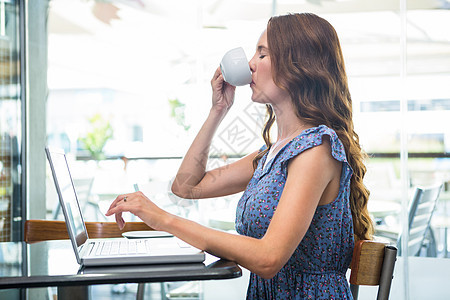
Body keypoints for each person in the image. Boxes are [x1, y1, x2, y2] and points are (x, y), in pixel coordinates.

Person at [107, 12, 374, 299]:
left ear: (299, 66)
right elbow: (185, 187)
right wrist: (218, 110)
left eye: (262, 54)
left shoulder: (316, 150)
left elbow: (268, 259)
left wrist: (162, 219)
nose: (250, 64)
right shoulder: (272, 154)